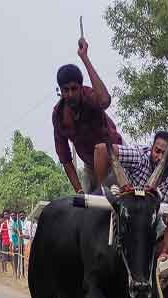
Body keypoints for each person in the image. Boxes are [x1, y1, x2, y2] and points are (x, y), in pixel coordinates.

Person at [92, 131, 168, 298]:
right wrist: (100, 190)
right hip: (124, 225)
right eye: (157, 150)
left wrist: (164, 252)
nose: (159, 157)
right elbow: (102, 149)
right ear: (151, 148)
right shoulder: (139, 156)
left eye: (164, 154)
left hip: (153, 230)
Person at [52, 36, 122, 194]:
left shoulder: (90, 96)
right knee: (86, 207)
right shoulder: (58, 116)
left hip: (114, 160)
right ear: (60, 91)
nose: (70, 94)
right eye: (65, 90)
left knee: (118, 204)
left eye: (74, 89)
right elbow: (65, 159)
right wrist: (78, 190)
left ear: (80, 87)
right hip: (90, 167)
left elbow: (105, 100)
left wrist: (85, 58)